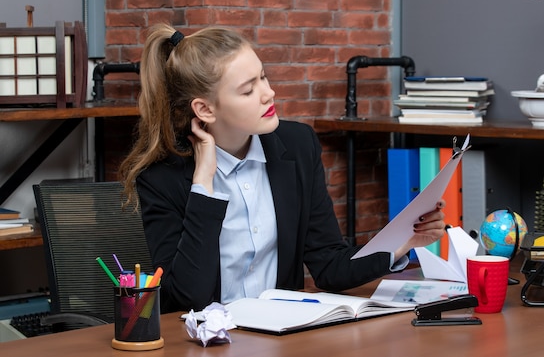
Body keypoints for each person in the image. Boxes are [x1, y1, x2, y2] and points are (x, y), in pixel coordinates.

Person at [119, 24, 446, 313]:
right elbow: (186, 297)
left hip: (284, 337)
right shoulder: (163, 177)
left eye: (263, 77)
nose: (268, 93)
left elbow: (328, 264)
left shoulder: (298, 146)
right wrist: (203, 184)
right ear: (205, 109)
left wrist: (403, 242)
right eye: (248, 90)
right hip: (206, 341)